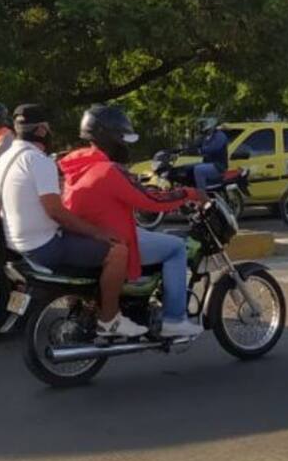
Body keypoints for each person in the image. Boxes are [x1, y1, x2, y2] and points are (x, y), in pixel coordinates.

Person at [0, 104, 143, 340]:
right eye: (48, 129)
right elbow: (56, 212)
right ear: (41, 130)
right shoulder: (37, 160)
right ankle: (110, 320)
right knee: (118, 250)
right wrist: (97, 232)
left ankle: (82, 305)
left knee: (83, 241)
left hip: (16, 245)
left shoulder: (6, 157)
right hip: (44, 247)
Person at [59, 106, 205, 339]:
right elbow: (150, 199)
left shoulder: (79, 163)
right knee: (176, 247)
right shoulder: (108, 171)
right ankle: (174, 320)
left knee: (154, 236)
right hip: (111, 240)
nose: (126, 146)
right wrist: (189, 194)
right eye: (123, 139)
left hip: (89, 235)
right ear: (110, 138)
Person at [188, 116, 229, 193]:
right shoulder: (205, 137)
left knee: (198, 170)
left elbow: (215, 148)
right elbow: (194, 145)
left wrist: (200, 151)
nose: (201, 127)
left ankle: (202, 194)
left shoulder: (220, 135)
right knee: (187, 168)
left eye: (202, 124)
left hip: (218, 166)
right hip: (208, 163)